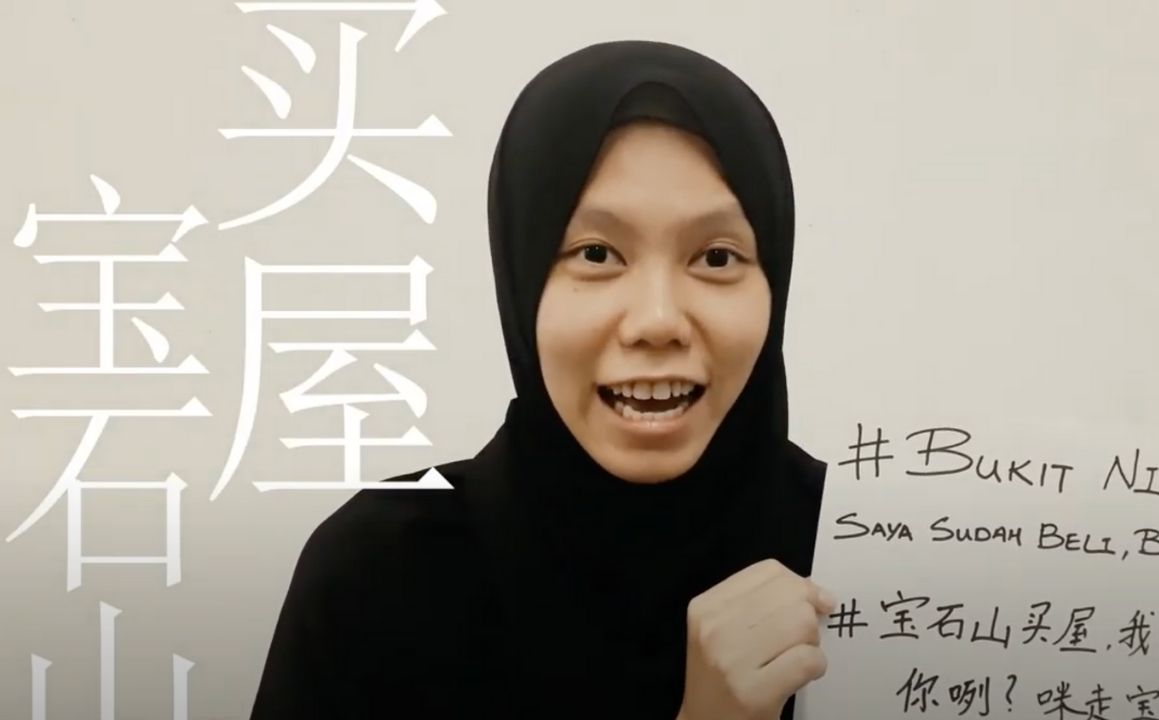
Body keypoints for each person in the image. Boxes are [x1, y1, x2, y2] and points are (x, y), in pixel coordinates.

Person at [249, 39, 834, 719]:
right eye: (595, 253)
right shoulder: (381, 577)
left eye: (716, 256)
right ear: (523, 281)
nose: (656, 321)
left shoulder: (860, 552)